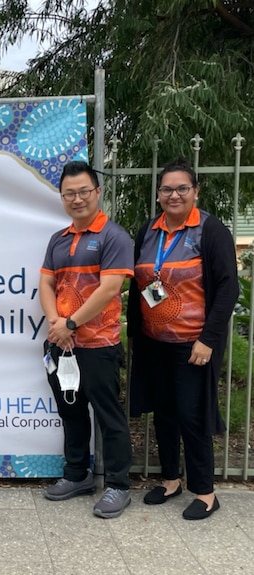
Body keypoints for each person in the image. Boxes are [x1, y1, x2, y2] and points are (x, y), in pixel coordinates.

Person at [128, 160, 238, 520]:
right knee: (164, 415)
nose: (173, 195)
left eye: (181, 188)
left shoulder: (210, 231)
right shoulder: (149, 231)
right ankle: (171, 479)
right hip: (154, 342)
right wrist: (134, 334)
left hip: (193, 345)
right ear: (158, 194)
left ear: (195, 192)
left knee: (192, 416)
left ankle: (205, 492)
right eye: (166, 189)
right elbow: (138, 285)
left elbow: (227, 288)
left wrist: (208, 339)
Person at [39, 161, 134, 519]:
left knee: (110, 418)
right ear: (62, 197)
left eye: (83, 192)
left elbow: (110, 288)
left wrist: (72, 323)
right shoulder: (58, 240)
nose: (76, 199)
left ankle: (118, 485)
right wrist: (55, 323)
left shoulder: (113, 236)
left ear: (97, 192)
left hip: (99, 346)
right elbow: (47, 283)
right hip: (62, 345)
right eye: (69, 194)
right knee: (71, 413)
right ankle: (77, 475)